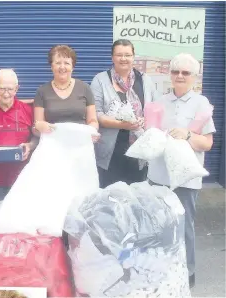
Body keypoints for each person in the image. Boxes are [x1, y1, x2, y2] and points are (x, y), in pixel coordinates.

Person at [148, 53, 216, 288]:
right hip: (158, 175)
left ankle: (188, 273)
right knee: (158, 226)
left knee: (184, 225)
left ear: (194, 77)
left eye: (185, 73)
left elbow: (207, 143)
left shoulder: (202, 104)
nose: (179, 76)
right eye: (176, 71)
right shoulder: (159, 101)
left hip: (186, 179)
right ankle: (162, 270)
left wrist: (187, 134)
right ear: (170, 75)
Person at [91, 39, 161, 188]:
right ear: (112, 58)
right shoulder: (100, 80)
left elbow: (155, 109)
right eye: (119, 55)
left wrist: (145, 120)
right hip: (111, 151)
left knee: (136, 196)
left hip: (139, 149)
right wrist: (121, 124)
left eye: (127, 55)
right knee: (110, 196)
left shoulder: (145, 80)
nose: (123, 58)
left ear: (133, 57)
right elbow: (95, 113)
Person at [0, 69, 38, 203]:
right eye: (2, 89)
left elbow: (36, 137)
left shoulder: (27, 110)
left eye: (10, 89)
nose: (6, 93)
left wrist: (30, 145)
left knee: (21, 218)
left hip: (23, 178)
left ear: (16, 89)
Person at [33, 44, 99, 140]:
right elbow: (37, 126)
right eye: (58, 63)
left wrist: (91, 131)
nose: (62, 67)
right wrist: (40, 127)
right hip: (52, 144)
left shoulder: (85, 88)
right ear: (51, 66)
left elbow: (93, 121)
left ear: (72, 67)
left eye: (67, 63)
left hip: (80, 142)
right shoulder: (42, 91)